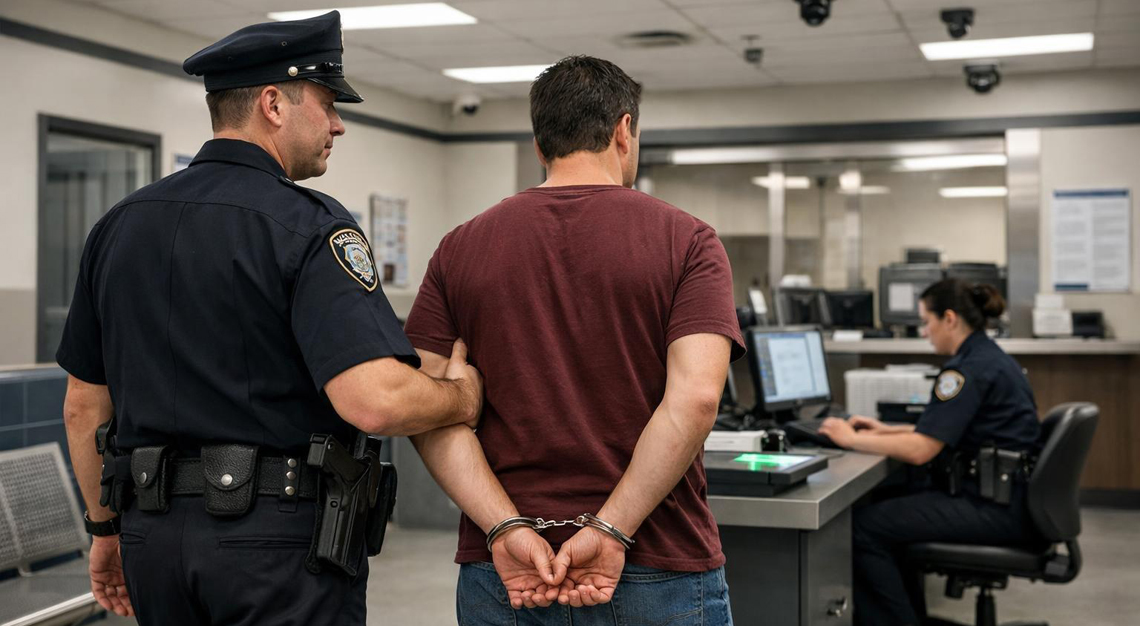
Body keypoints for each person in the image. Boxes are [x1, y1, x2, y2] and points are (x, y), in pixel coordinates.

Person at [55, 12, 483, 626]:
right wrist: (460, 397)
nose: (338, 124)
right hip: (272, 545)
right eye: (328, 102)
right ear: (274, 103)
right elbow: (375, 402)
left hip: (151, 540)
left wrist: (104, 532)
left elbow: (82, 405)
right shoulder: (309, 227)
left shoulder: (117, 228)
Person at [403, 55, 745, 626]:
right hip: (655, 559)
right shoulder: (688, 241)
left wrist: (504, 526)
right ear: (624, 131)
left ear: (540, 145)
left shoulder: (459, 247)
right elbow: (696, 400)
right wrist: (610, 530)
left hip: (506, 571)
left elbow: (421, 404)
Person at [818, 279, 1043, 626]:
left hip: (994, 506)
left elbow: (922, 450)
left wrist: (849, 439)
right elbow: (947, 432)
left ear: (949, 319)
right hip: (1010, 497)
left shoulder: (964, 371)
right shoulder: (987, 358)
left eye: (927, 321)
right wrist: (884, 429)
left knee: (863, 528)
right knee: (888, 510)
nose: (925, 332)